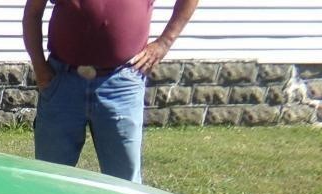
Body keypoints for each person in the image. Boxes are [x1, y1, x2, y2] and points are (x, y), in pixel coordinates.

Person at [22, 0, 199, 183]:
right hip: (62, 81)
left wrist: (164, 43)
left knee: (124, 181)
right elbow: (33, 12)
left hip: (121, 85)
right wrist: (39, 66)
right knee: (50, 177)